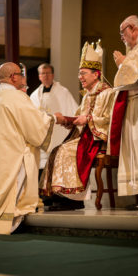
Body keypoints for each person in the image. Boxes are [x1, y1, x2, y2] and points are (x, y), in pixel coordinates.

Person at [0, 62, 65, 235]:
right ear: (13, 77)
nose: (24, 78)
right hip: (13, 154)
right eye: (21, 75)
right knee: (7, 197)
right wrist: (54, 118)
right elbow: (34, 125)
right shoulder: (15, 97)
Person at [39, 42, 114, 211]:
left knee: (64, 151)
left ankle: (72, 199)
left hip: (98, 139)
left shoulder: (107, 92)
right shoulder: (87, 95)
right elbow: (79, 116)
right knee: (57, 150)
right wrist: (69, 121)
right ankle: (60, 195)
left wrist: (87, 119)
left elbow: (110, 119)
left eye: (83, 74)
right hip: (84, 136)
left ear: (96, 74)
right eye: (79, 74)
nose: (80, 77)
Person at [108, 15, 138, 210]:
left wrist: (122, 63)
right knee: (137, 152)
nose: (122, 37)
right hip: (135, 104)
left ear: (132, 28)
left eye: (122, 33)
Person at [30, 63, 78, 177]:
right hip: (42, 135)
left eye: (48, 73)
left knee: (58, 163)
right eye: (43, 73)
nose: (45, 76)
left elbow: (73, 111)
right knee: (42, 166)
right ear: (39, 76)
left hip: (59, 133)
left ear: (53, 75)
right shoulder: (34, 96)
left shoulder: (63, 92)